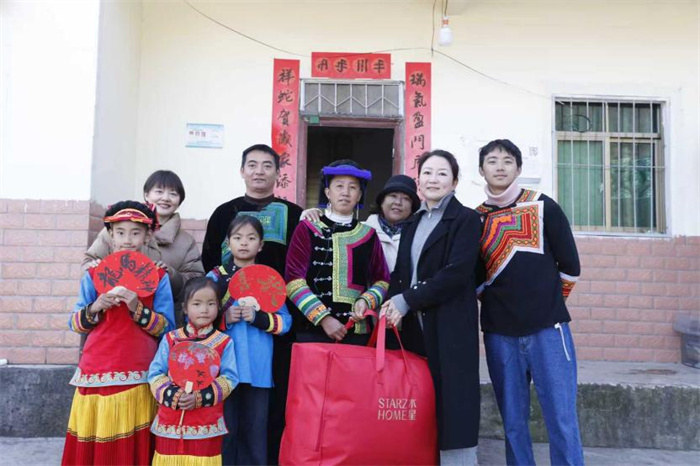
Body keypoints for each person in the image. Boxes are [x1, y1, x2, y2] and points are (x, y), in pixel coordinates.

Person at [475, 139, 584, 465]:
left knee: (562, 418)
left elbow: (571, 266)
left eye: (507, 161)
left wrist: (546, 306)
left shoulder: (543, 206)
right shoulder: (475, 219)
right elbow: (475, 278)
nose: (500, 167)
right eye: (492, 161)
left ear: (519, 168)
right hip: (499, 334)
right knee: (513, 421)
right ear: (481, 170)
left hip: (548, 330)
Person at [201, 144, 302, 464]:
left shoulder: (295, 214)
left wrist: (267, 314)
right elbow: (208, 260)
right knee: (226, 420)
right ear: (242, 170)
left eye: (267, 165)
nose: (259, 171)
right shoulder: (224, 213)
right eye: (253, 165)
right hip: (226, 341)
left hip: (270, 335)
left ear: (278, 172)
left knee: (265, 413)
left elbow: (300, 263)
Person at [381, 150, 481, 465]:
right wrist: (391, 304)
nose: (433, 179)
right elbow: (401, 273)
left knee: (454, 402)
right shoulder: (413, 221)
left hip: (450, 324)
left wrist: (406, 300)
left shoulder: (465, 220)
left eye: (441, 173)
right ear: (419, 179)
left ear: (454, 181)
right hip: (414, 325)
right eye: (427, 173)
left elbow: (456, 274)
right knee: (418, 400)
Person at [62, 201, 176, 466]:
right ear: (110, 235)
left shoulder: (158, 276)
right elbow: (75, 324)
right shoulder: (94, 275)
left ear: (147, 236)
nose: (127, 239)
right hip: (96, 368)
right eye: (120, 232)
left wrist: (137, 308)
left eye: (135, 233)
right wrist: (96, 307)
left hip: (139, 368)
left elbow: (167, 328)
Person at [207, 216, 292, 465]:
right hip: (223, 368)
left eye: (251, 238)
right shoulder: (215, 277)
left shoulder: (269, 279)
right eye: (237, 237)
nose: (244, 243)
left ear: (261, 245)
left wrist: (259, 318)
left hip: (258, 368)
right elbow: (198, 315)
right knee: (224, 429)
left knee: (255, 432)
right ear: (228, 243)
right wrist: (224, 318)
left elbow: (286, 323)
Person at [286, 159, 390, 345]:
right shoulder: (307, 228)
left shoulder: (368, 235)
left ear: (359, 195)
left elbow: (382, 280)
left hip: (356, 330)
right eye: (339, 186)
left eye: (353, 187)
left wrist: (366, 301)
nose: (345, 192)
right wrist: (324, 318)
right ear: (328, 192)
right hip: (312, 330)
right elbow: (293, 281)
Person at [83, 170, 204, 323]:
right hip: (111, 318)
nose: (165, 198)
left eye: (173, 194)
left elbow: (196, 281)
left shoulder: (186, 241)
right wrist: (95, 267)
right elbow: (88, 265)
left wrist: (169, 274)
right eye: (159, 191)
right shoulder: (114, 230)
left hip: (160, 319)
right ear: (146, 194)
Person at [148, 277, 238, 466]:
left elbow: (229, 378)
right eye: (197, 304)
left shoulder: (223, 342)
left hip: (206, 423)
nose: (204, 309)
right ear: (185, 308)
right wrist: (175, 395)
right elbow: (155, 374)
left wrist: (199, 397)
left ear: (218, 306)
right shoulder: (171, 339)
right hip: (171, 419)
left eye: (211, 303)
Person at [302, 174, 420, 272]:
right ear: (382, 201)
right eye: (393, 196)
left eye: (406, 198)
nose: (398, 202)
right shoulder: (361, 231)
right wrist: (311, 215)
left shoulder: (418, 236)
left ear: (412, 207)